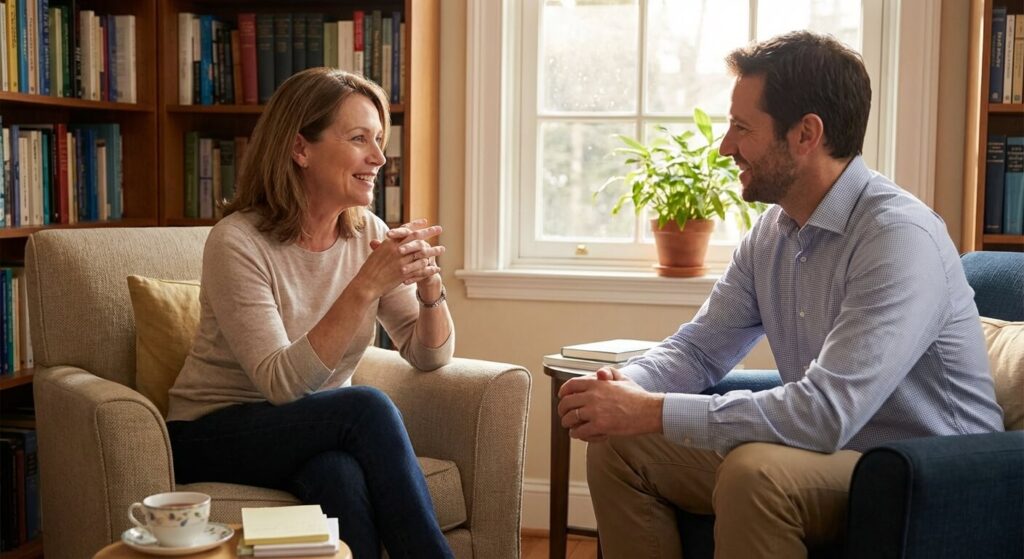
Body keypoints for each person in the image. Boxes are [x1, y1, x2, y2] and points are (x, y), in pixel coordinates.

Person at [557, 31, 1004, 558]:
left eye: (742, 128)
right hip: (830, 456)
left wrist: (652, 410)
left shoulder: (898, 237)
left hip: (927, 474)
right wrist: (621, 388)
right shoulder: (773, 232)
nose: (725, 146)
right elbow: (700, 348)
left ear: (806, 135)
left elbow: (824, 415)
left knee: (756, 473)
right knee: (621, 448)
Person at [165, 68, 455, 559]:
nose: (379, 158)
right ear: (301, 148)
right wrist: (365, 286)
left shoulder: (366, 232)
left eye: (379, 140)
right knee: (367, 405)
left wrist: (430, 286)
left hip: (309, 428)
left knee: (337, 475)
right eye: (359, 138)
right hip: (212, 430)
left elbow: (430, 358)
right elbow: (280, 384)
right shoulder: (238, 241)